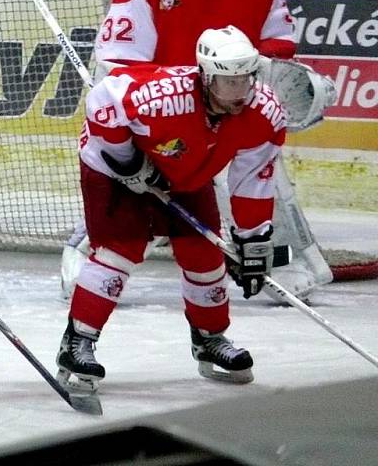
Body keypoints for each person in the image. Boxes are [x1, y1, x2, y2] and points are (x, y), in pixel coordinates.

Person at [62, 0, 331, 301]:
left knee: (263, 171)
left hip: (232, 99)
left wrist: (243, 76)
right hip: (168, 109)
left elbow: (279, 40)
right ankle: (88, 249)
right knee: (133, 183)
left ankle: (279, 259)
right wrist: (175, 92)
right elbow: (118, 58)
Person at [57, 25, 284, 392]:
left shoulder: (264, 114)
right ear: (206, 78)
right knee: (120, 251)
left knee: (206, 254)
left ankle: (210, 338)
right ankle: (78, 340)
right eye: (229, 84)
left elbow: (253, 178)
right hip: (112, 169)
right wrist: (127, 161)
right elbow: (102, 102)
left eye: (246, 81)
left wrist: (253, 237)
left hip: (186, 175)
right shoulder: (165, 96)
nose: (240, 94)